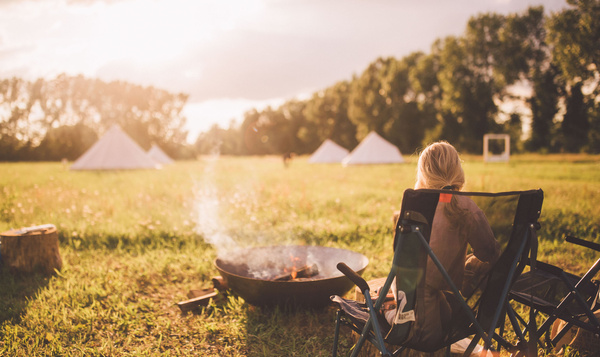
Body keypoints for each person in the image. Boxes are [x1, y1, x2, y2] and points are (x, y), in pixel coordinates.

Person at [382, 141, 501, 345]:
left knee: (447, 323)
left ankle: (389, 301)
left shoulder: (418, 207)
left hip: (436, 287)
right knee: (428, 339)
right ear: (457, 170)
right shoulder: (467, 207)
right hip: (414, 289)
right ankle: (386, 311)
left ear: (423, 174)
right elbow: (490, 252)